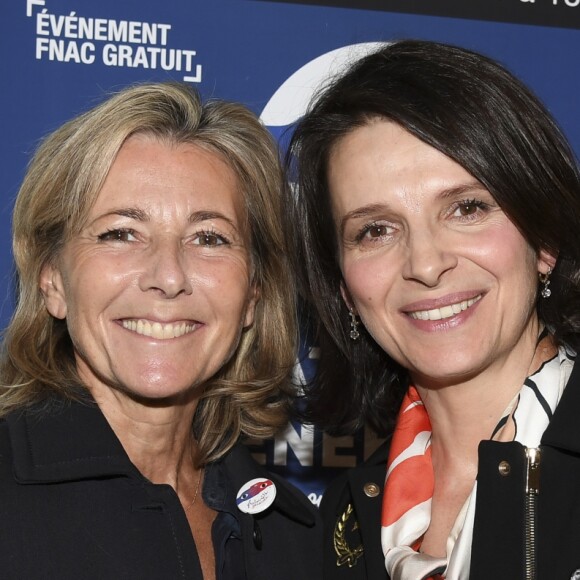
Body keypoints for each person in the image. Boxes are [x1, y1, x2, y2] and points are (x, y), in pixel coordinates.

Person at [0, 81, 322, 579]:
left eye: (209, 237)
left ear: (253, 293)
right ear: (52, 280)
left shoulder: (295, 538)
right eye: (121, 233)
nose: (168, 277)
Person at [285, 39, 580, 579]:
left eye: (467, 208)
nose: (424, 263)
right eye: (375, 230)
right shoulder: (344, 523)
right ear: (344, 287)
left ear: (544, 241)